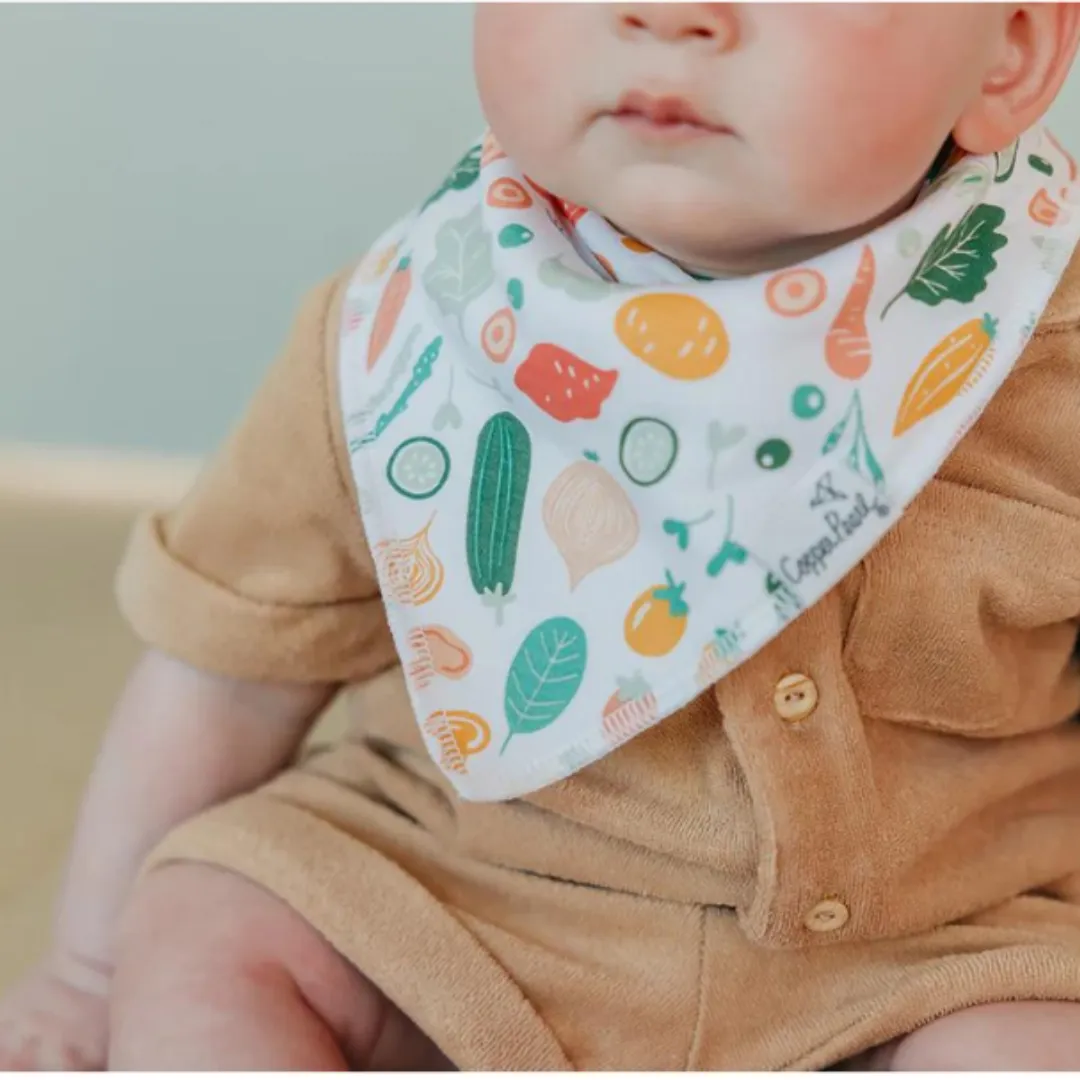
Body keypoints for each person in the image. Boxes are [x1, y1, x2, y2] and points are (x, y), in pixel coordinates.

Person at [5, 4, 1080, 1070]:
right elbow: (226, 674)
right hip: (460, 905)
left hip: (931, 952)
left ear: (1010, 55)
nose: (667, 16)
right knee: (211, 924)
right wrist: (88, 973)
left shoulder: (1050, 352)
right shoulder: (405, 333)